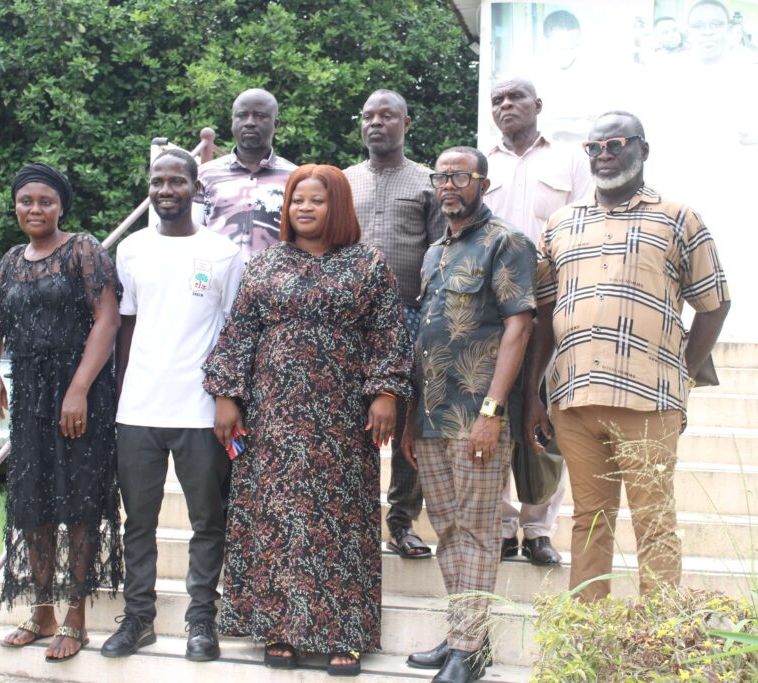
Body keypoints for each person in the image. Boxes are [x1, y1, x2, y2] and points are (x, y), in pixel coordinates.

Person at [203, 164, 412, 676]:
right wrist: (226, 396)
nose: (303, 208)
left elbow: (388, 334)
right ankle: (279, 629)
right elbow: (239, 333)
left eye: (316, 200)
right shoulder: (265, 264)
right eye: (297, 199)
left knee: (342, 521)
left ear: (337, 205)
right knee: (277, 519)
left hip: (342, 418)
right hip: (273, 415)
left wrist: (385, 393)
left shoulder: (368, 264)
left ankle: (346, 633)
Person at [524, 111, 731, 603]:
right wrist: (533, 394)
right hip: (575, 400)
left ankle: (657, 632)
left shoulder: (678, 218)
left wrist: (681, 374)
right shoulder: (561, 223)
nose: (604, 155)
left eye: (615, 144)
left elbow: (715, 303)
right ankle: (587, 632)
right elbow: (544, 313)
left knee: (653, 520)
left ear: (643, 149)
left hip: (649, 401)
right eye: (594, 148)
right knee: (588, 520)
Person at [100, 149, 244, 662]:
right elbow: (126, 325)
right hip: (139, 410)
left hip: (200, 411)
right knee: (138, 521)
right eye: (157, 181)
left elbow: (234, 333)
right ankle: (138, 618)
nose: (166, 190)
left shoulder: (223, 253)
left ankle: (201, 620)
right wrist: (121, 392)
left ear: (195, 188)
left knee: (207, 519)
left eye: (177, 181)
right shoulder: (132, 249)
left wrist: (228, 398)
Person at [0, 163, 122, 663]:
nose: (34, 209)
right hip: (31, 399)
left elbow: (107, 320)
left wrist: (78, 388)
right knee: (32, 503)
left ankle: (74, 618)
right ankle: (40, 611)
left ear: (61, 206)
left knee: (79, 503)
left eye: (45, 201)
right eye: (26, 201)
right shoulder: (11, 262)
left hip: (81, 393)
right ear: (15, 207)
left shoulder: (84, 249)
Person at [403, 147, 536, 683]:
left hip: (478, 414)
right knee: (448, 528)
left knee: (479, 530)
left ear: (483, 182)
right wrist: (411, 416)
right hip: (432, 415)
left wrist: (493, 410)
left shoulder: (507, 241)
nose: (448, 186)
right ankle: (464, 635)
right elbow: (425, 334)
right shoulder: (435, 251)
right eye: (441, 177)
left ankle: (468, 647)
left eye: (460, 176)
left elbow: (519, 327)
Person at [485, 78, 592, 567]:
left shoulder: (569, 160)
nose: (506, 105)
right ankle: (503, 528)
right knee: (494, 414)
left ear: (538, 105)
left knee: (544, 419)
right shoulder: (484, 162)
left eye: (516, 98)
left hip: (554, 306)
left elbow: (586, 223)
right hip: (492, 313)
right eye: (498, 100)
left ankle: (539, 529)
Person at [344, 89, 446, 561]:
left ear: (407, 123)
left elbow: (442, 253)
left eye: (387, 116)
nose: (376, 123)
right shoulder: (343, 182)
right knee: (348, 420)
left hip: (410, 314)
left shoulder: (428, 182)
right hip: (349, 321)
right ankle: (351, 519)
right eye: (368, 116)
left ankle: (402, 521)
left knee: (408, 423)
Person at [196, 88, 297, 260]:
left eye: (260, 116)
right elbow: (194, 230)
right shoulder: (204, 175)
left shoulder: (295, 177)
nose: (250, 122)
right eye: (242, 115)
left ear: (275, 124)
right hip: (217, 273)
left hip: (276, 275)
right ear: (232, 121)